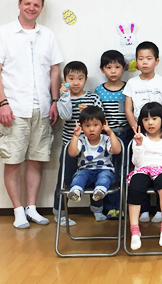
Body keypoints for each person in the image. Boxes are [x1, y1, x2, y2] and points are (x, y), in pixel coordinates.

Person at [0, 0, 62, 229]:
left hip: (42, 108)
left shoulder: (47, 35)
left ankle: (31, 208)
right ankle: (18, 210)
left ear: (41, 8)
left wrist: (54, 101)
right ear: (19, 4)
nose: (31, 8)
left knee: (36, 160)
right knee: (13, 160)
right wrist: (2, 103)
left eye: (36, 5)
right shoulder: (3, 33)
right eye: (27, 3)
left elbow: (54, 70)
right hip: (14, 107)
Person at [124, 41, 162, 223]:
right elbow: (128, 109)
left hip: (160, 131)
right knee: (140, 170)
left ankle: (160, 209)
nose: (144, 62)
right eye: (140, 58)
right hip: (139, 132)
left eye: (149, 58)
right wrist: (136, 130)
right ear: (136, 61)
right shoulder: (132, 83)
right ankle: (143, 209)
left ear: (156, 61)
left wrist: (160, 126)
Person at [127, 102, 162, 250]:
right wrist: (138, 145)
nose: (150, 123)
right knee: (135, 187)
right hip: (142, 169)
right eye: (146, 119)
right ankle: (134, 231)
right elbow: (137, 163)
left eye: (154, 119)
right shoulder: (139, 137)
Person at [54, 61, 104, 225]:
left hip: (92, 146)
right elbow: (66, 116)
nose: (76, 82)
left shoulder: (92, 97)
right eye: (71, 78)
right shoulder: (63, 97)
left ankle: (97, 209)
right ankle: (60, 213)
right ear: (65, 80)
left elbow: (101, 118)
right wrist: (64, 96)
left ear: (85, 79)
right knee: (65, 178)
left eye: (80, 78)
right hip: (71, 144)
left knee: (96, 175)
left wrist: (88, 112)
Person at [95, 50, 132, 219]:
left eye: (117, 67)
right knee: (108, 170)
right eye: (108, 67)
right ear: (102, 69)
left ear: (123, 68)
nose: (113, 71)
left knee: (125, 170)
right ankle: (111, 207)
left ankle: (127, 206)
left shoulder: (129, 88)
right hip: (106, 136)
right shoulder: (98, 90)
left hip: (126, 134)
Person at [67, 106, 122, 203]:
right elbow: (72, 153)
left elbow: (117, 150)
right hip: (85, 170)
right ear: (81, 127)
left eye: (95, 125)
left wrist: (110, 133)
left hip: (105, 169)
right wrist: (75, 136)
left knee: (104, 177)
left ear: (103, 125)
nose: (91, 129)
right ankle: (76, 191)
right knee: (79, 176)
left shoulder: (106, 139)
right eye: (87, 126)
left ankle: (100, 191)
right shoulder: (81, 140)